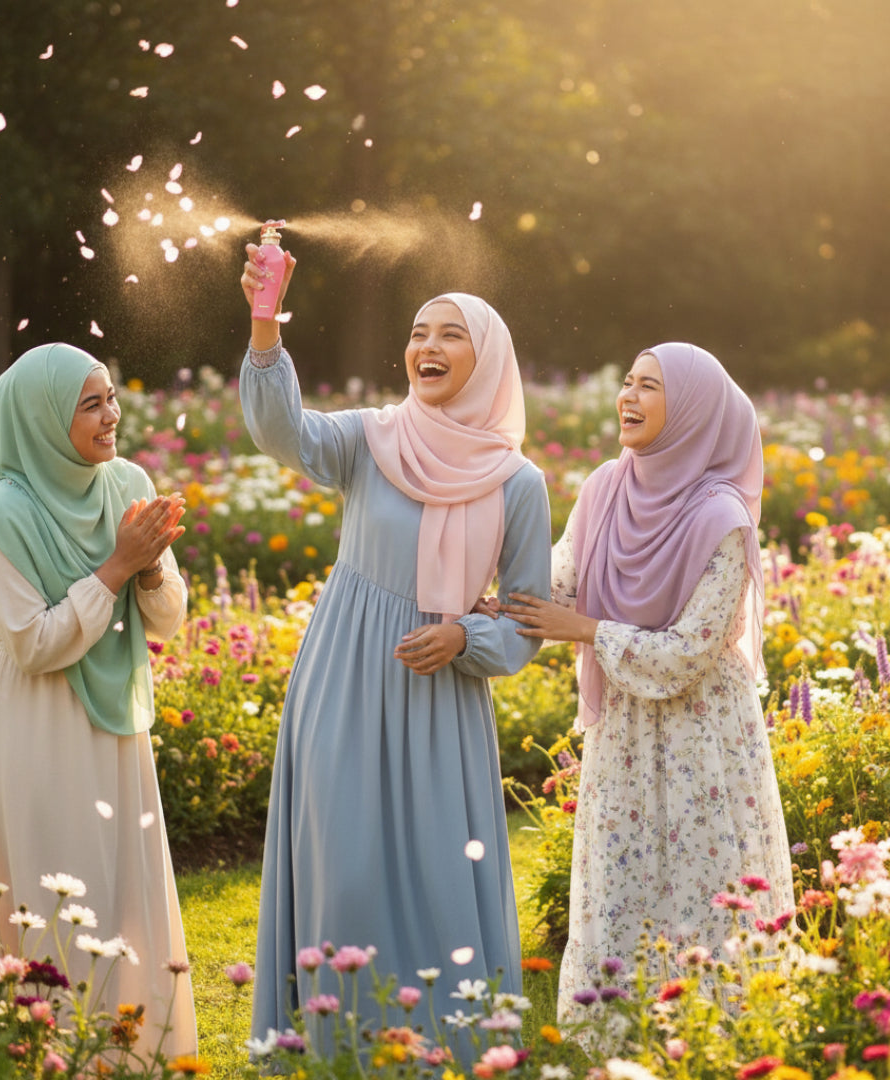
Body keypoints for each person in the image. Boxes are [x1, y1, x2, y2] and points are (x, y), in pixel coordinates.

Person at [239, 244, 552, 1053]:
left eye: (452, 335)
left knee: (438, 867)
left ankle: (440, 1040)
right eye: (419, 333)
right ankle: (339, 1040)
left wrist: (464, 635)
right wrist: (266, 324)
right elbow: (283, 433)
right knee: (342, 865)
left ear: (486, 361)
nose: (429, 348)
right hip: (344, 676)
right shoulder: (370, 441)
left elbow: (526, 616)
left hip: (439, 693)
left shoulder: (517, 483)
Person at [501, 343, 794, 1032]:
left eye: (650, 387)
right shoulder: (606, 487)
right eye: (627, 383)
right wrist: (485, 595)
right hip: (627, 737)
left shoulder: (723, 519)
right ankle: (620, 1021)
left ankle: (708, 1027)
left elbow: (689, 652)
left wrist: (586, 630)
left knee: (702, 878)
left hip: (701, 736)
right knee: (625, 878)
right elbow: (559, 580)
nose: (627, 398)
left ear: (691, 408)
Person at [0, 343, 197, 1060]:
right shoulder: (1, 515)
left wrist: (151, 568)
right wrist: (118, 564)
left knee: (122, 880)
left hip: (114, 722)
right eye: (90, 404)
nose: (112, 416)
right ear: (40, 419)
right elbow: (34, 644)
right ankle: (52, 1054)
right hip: (38, 719)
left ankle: (130, 1055)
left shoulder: (126, 482)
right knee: (50, 882)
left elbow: (168, 620)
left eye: (112, 398)